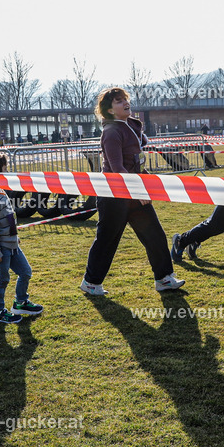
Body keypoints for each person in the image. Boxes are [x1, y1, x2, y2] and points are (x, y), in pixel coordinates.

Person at [80, 87, 184, 295]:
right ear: (109, 110)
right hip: (114, 196)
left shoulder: (129, 128)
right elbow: (118, 169)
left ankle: (164, 278)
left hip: (134, 193)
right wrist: (137, 193)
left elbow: (135, 164)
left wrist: (148, 184)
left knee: (154, 235)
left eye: (125, 99)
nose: (125, 103)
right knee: (107, 240)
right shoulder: (111, 132)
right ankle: (91, 282)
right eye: (119, 101)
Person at [0, 150, 42, 324]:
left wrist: (14, 236)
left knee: (25, 272)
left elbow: (8, 218)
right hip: (0, 248)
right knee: (2, 280)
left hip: (11, 244)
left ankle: (20, 302)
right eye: (4, 169)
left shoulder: (0, 191)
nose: (6, 173)